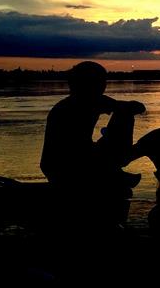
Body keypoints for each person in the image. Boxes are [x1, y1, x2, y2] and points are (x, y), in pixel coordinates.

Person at [40, 61, 145, 228]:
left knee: (123, 114)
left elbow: (128, 106)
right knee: (124, 115)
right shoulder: (80, 103)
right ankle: (119, 159)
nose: (103, 86)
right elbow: (131, 108)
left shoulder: (80, 102)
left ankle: (117, 163)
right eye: (100, 82)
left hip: (65, 162)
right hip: (71, 164)